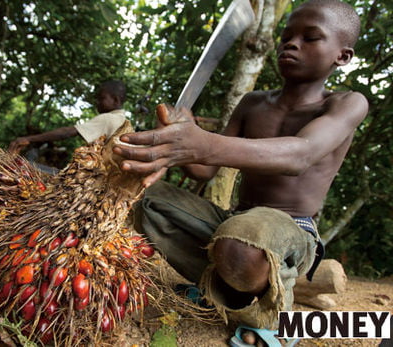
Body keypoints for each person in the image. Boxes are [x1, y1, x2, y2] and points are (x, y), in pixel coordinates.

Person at [113, 0, 368, 346]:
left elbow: (301, 155)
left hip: (293, 229)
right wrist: (181, 134)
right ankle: (219, 287)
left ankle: (275, 315)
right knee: (140, 197)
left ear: (342, 56)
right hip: (233, 221)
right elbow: (204, 169)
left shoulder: (347, 103)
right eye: (286, 36)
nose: (291, 44)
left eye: (310, 38)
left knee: (242, 242)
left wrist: (202, 142)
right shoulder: (253, 103)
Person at [8, 80, 127, 153]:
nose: (97, 102)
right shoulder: (123, 121)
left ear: (116, 100)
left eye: (101, 98)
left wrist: (28, 139)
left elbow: (67, 132)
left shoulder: (108, 119)